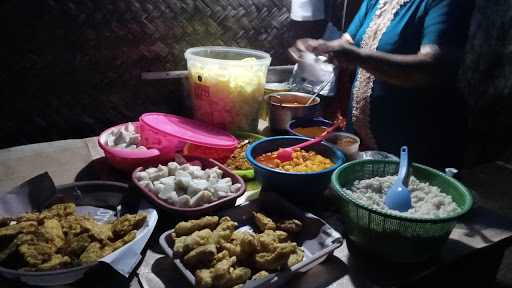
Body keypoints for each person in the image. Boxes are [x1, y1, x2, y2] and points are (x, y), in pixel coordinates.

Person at [289, 0, 475, 169]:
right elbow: (348, 42)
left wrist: (359, 57)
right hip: (366, 140)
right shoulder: (377, 2)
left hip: (417, 140)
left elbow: (432, 67)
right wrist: (318, 46)